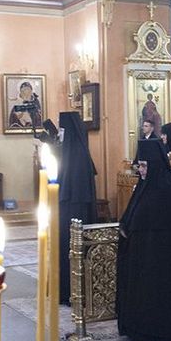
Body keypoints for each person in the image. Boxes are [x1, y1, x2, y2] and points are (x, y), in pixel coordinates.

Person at [117, 139, 171, 341]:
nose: (141, 171)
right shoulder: (143, 187)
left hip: (162, 262)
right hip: (142, 257)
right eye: (139, 166)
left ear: (155, 165)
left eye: (144, 166)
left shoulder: (168, 189)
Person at [58, 111, 98, 305]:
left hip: (76, 213)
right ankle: (64, 290)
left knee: (74, 252)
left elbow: (78, 192)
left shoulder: (79, 155)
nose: (60, 133)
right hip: (67, 211)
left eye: (62, 129)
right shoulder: (67, 151)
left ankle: (74, 291)